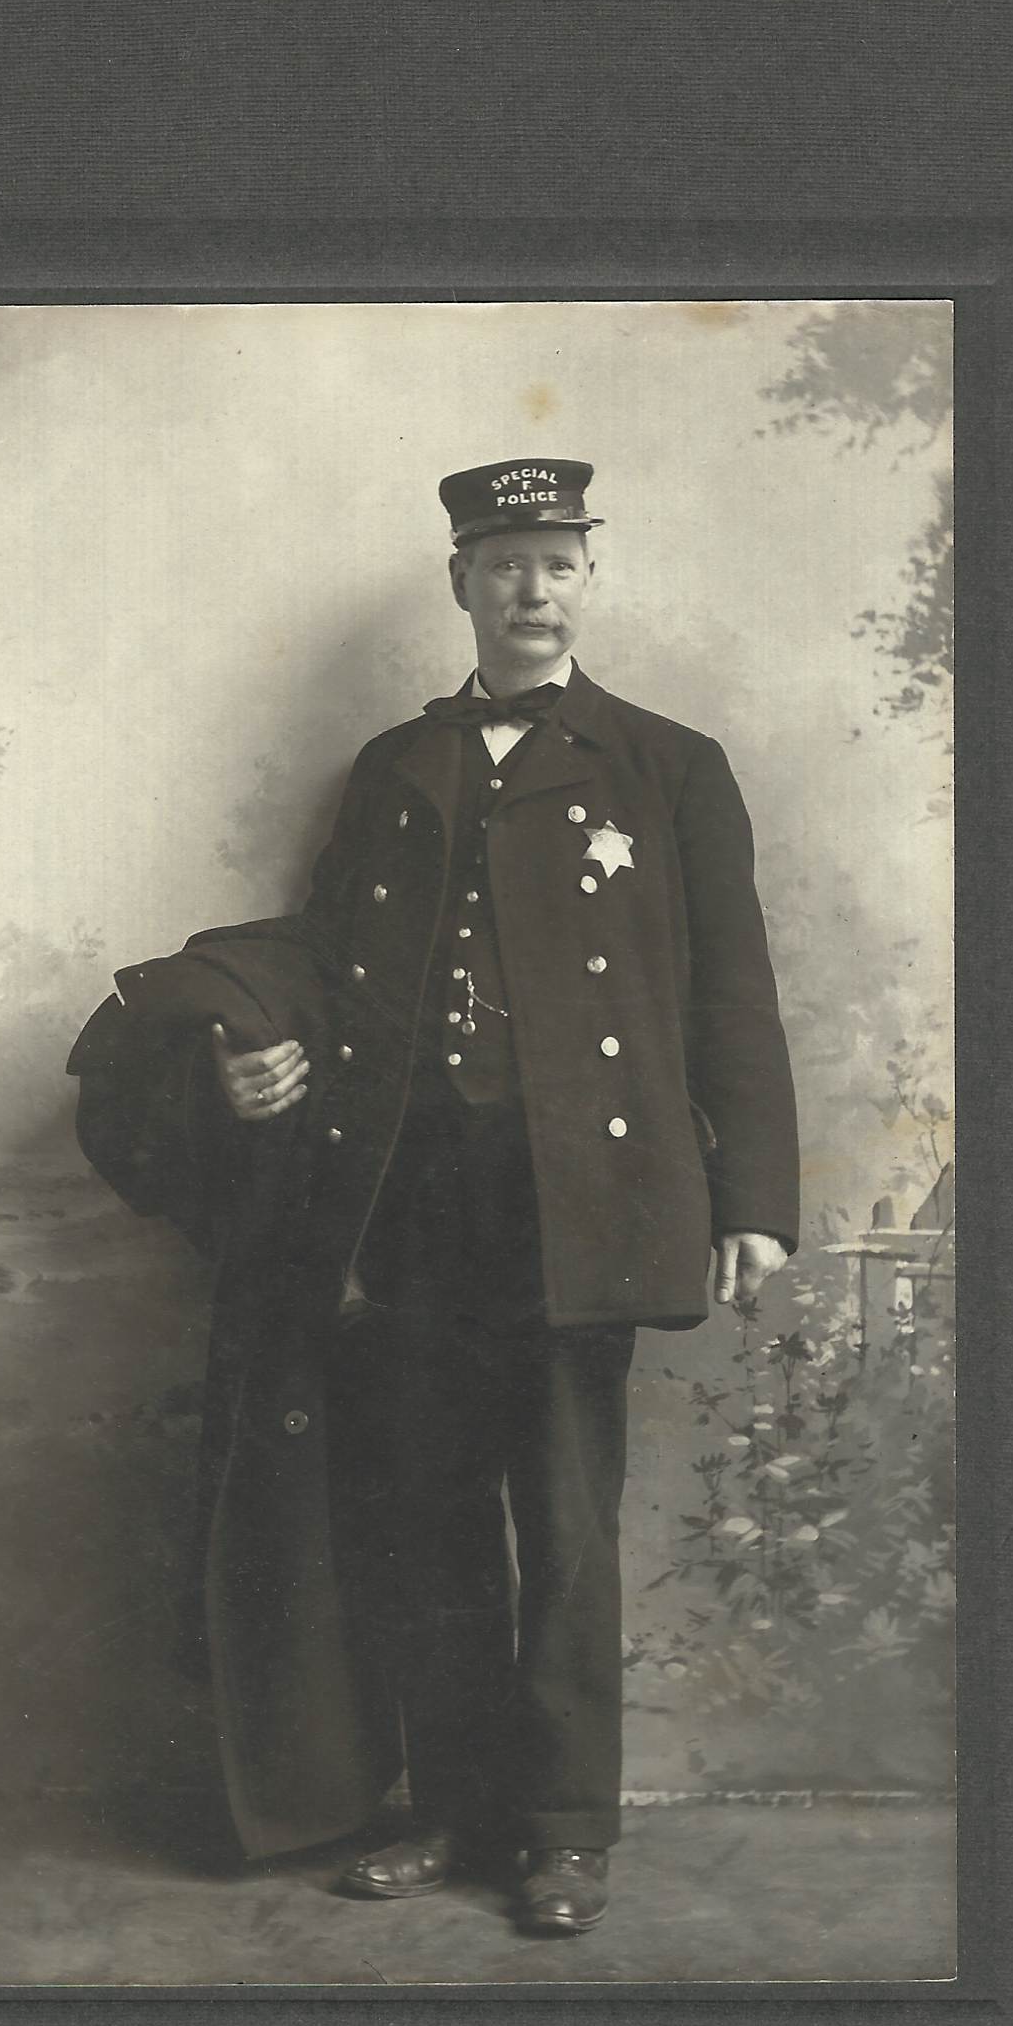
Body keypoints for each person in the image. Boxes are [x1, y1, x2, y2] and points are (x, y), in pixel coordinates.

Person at [210, 458, 799, 1934]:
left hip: (580, 1195)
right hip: (415, 1193)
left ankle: (565, 1835)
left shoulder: (668, 765)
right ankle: (457, 1817)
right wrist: (253, 1046)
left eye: (558, 560)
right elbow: (333, 968)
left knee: (563, 1515)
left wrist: (757, 1199)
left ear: (590, 576)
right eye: (502, 563)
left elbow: (734, 999)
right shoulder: (395, 769)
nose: (532, 590)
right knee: (431, 1515)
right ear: (459, 583)